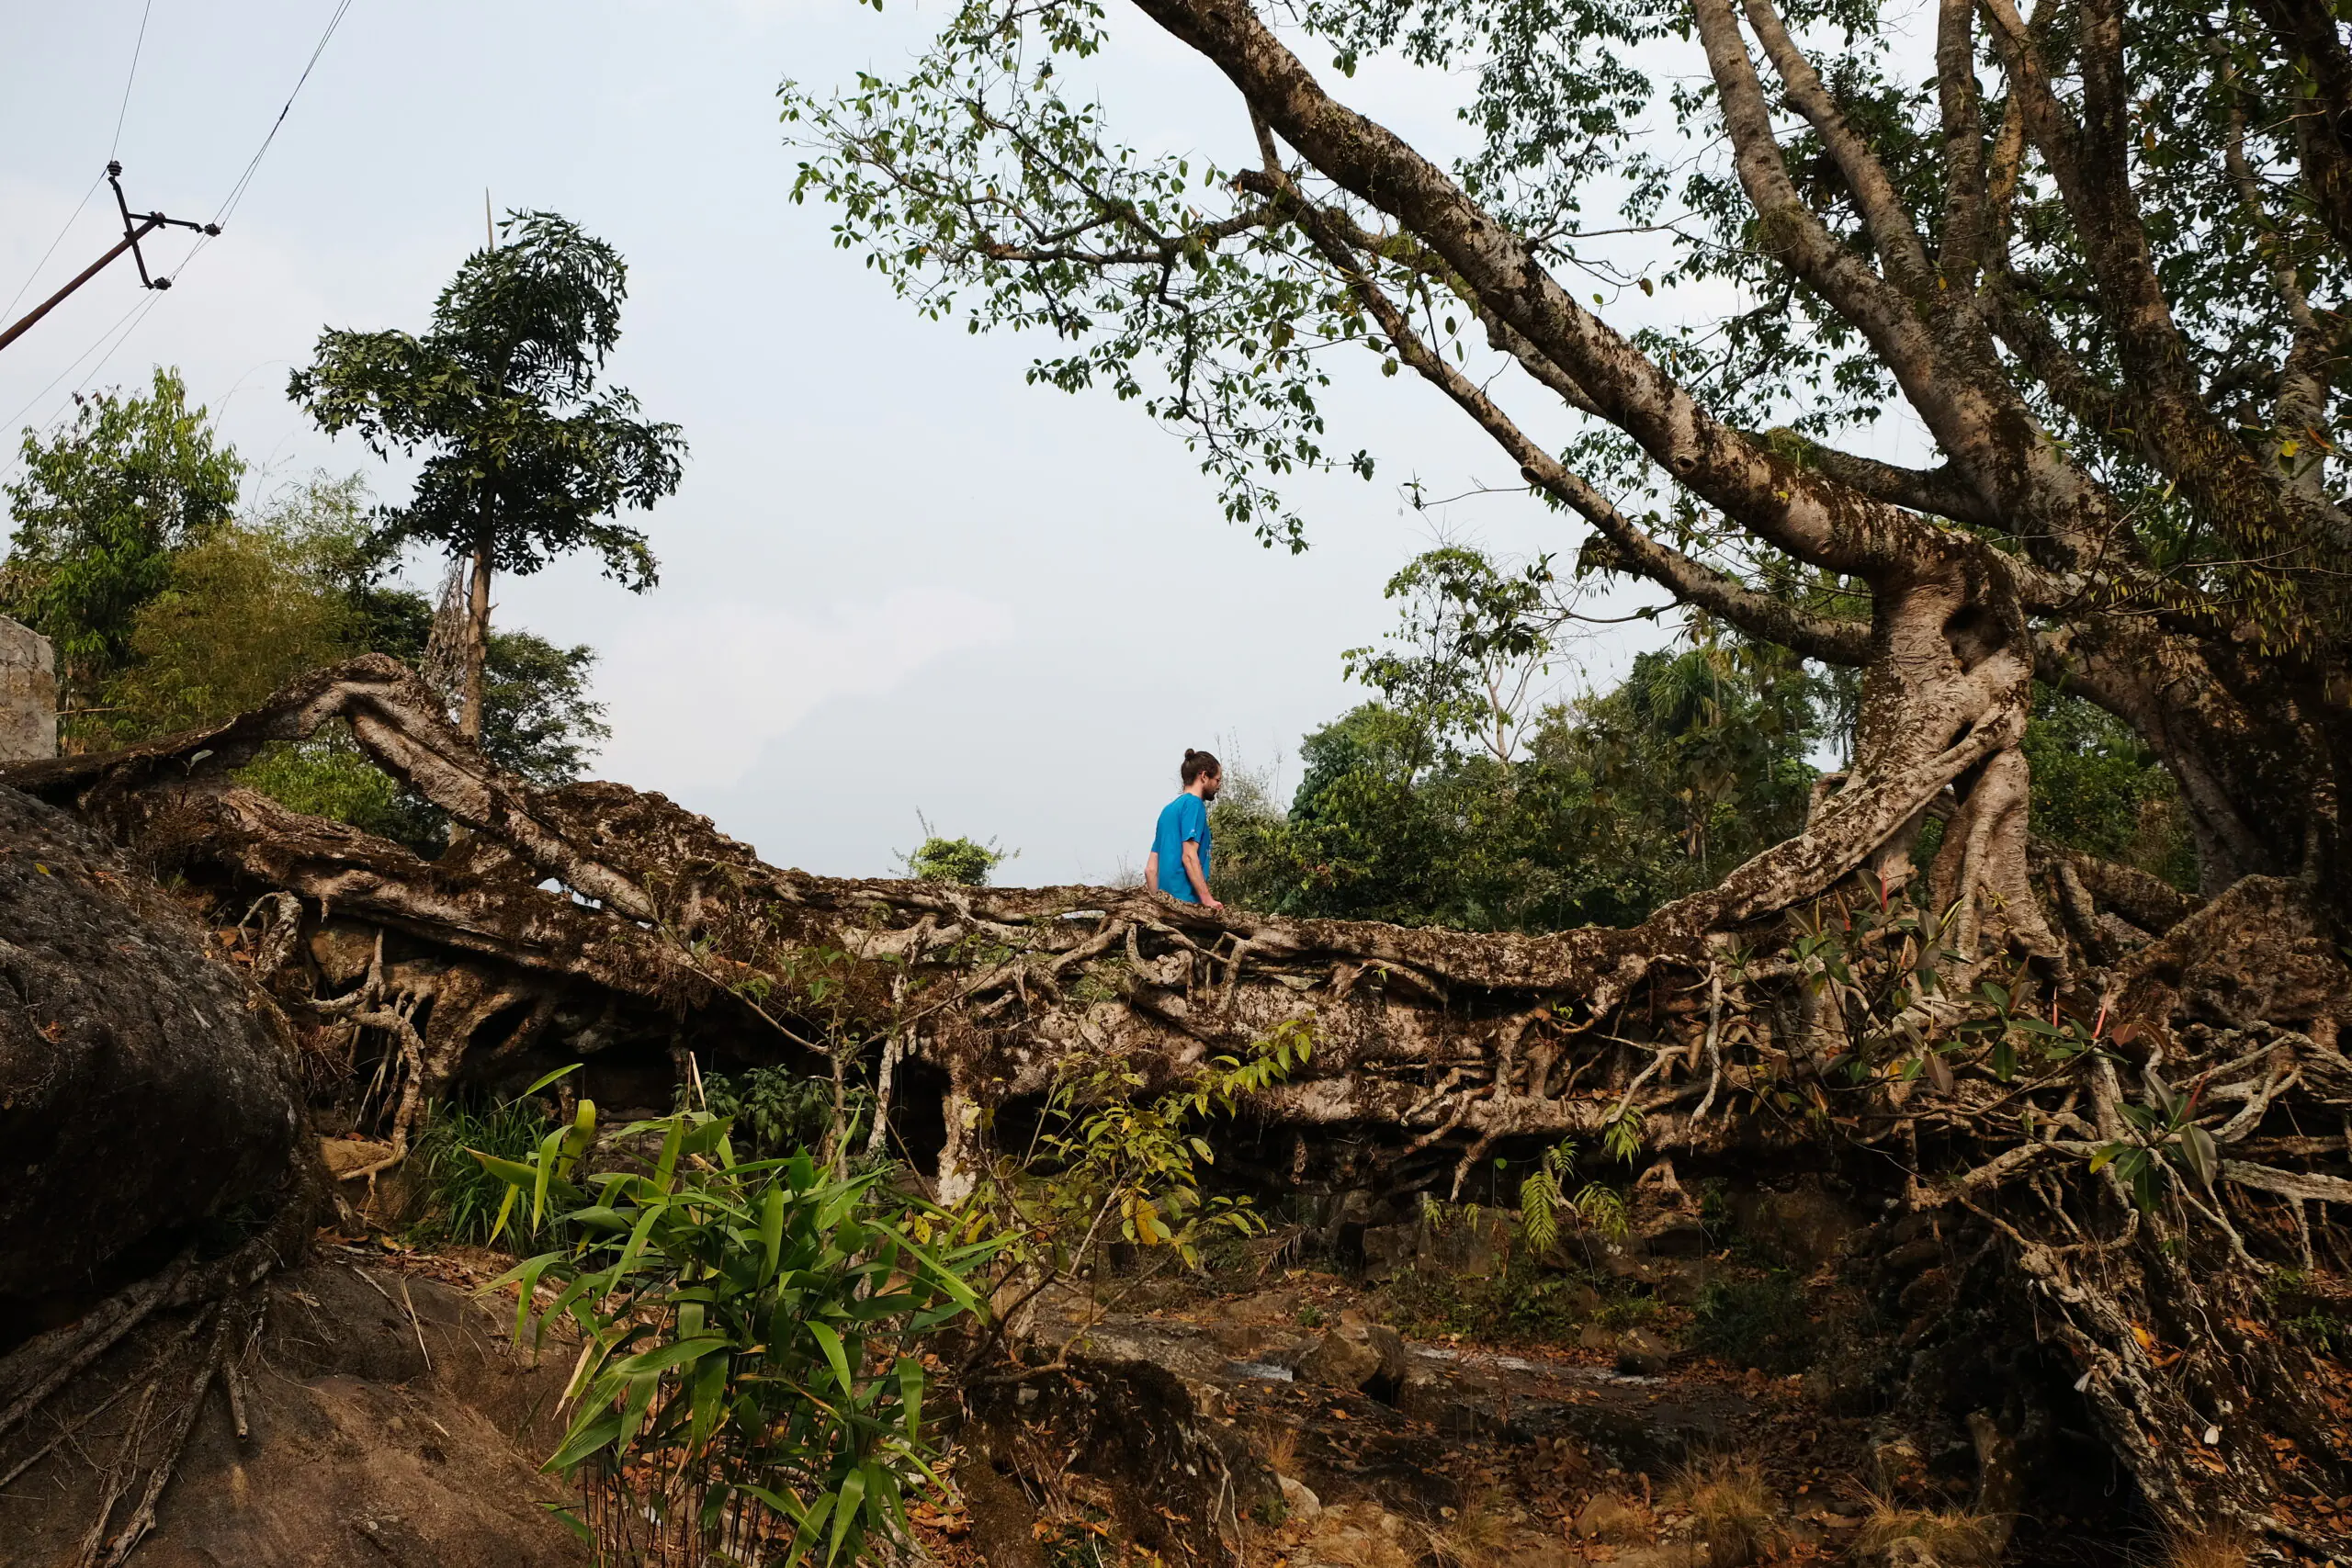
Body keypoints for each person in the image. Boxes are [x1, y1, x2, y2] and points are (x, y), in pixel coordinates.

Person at [1144, 749, 1222, 908]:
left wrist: (1160, 907)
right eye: (1217, 780)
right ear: (1204, 776)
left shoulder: (1167, 811)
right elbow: (1189, 856)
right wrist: (1207, 900)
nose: (1218, 786)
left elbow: (1150, 870)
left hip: (1165, 907)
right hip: (1187, 904)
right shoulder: (1194, 805)